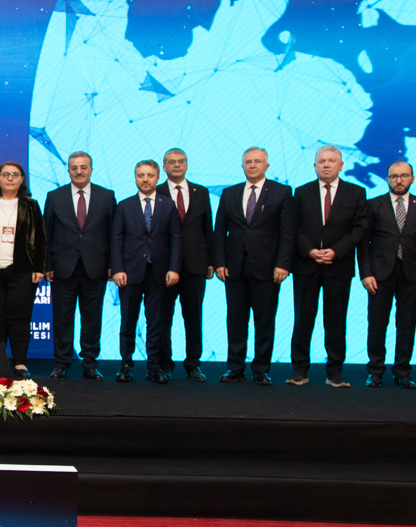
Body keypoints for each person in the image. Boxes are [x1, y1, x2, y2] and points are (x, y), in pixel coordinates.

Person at [287, 145, 370, 388]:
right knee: (303, 319)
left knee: (335, 320)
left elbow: (360, 228)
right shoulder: (302, 192)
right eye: (321, 161)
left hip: (339, 265)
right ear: (314, 166)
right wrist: (310, 250)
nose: (326, 164)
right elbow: (293, 227)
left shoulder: (356, 192)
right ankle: (299, 371)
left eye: (331, 161)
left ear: (341, 165)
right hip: (307, 264)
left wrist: (335, 251)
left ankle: (335, 372)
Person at [212, 146, 293, 384]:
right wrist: (219, 262)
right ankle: (235, 368)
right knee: (235, 321)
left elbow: (288, 232)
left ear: (267, 165)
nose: (253, 165)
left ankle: (261, 370)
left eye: (258, 161)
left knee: (264, 321)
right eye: (248, 162)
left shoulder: (282, 192)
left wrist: (283, 264)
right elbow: (220, 231)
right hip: (234, 268)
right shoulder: (229, 193)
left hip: (268, 269)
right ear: (242, 166)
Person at [359, 161, 416, 388]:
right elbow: (363, 244)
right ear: (387, 179)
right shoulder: (373, 205)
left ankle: (402, 372)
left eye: (404, 176)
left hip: (413, 275)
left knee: (407, 325)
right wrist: (366, 274)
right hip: (379, 274)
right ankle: (375, 371)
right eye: (394, 176)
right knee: (377, 324)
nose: (399, 180)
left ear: (412, 178)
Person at [43, 151, 116, 380]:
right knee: (62, 318)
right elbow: (46, 234)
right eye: (74, 167)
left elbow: (113, 234)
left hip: (96, 267)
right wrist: (47, 265)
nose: (79, 171)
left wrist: (113, 265)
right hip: (62, 268)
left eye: (84, 167)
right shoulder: (55, 196)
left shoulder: (106, 196)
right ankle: (61, 363)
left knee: (92, 318)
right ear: (68, 171)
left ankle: (90, 364)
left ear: (91, 169)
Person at [111, 160, 181, 383]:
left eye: (150, 175)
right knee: (128, 321)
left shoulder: (168, 205)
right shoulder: (124, 205)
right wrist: (118, 269)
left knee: (155, 322)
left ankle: (154, 366)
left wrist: (174, 268)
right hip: (130, 272)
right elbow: (116, 239)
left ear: (158, 178)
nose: (145, 179)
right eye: (141, 175)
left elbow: (176, 239)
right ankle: (126, 365)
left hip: (159, 272)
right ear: (135, 178)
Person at [0, 160, 45, 379]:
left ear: (22, 179)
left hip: (22, 271)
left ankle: (20, 363)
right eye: (5, 174)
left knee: (20, 318)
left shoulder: (31, 205)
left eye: (15, 174)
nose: (10, 178)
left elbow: (40, 238)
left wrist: (39, 267)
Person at [156, 148, 214, 381]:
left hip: (195, 265)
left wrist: (211, 261)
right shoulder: (156, 191)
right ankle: (164, 364)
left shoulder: (201, 192)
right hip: (164, 266)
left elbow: (207, 227)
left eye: (181, 161)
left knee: (193, 318)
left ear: (187, 165)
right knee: (163, 318)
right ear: (164, 167)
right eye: (171, 162)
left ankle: (193, 365)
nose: (177, 165)